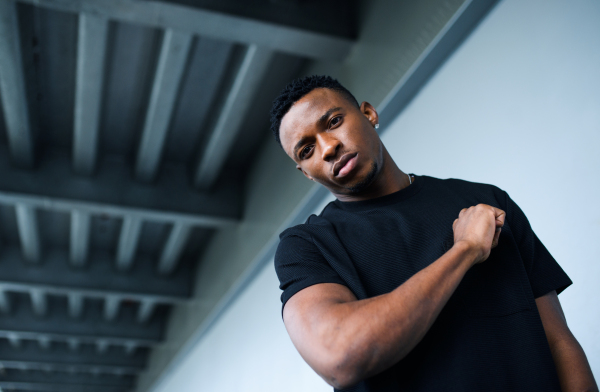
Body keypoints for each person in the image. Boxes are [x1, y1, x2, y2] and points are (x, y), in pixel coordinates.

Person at [269, 75, 597, 392]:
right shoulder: (308, 247)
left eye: (333, 122)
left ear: (368, 114)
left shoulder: (487, 201)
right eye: (306, 150)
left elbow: (558, 340)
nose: (327, 148)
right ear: (305, 173)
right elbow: (340, 357)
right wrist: (465, 250)